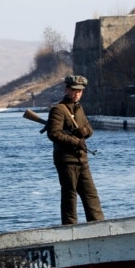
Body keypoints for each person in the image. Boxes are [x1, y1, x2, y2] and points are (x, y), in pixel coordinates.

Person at [47, 75, 105, 225]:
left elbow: (89, 129)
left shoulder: (79, 109)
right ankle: (70, 228)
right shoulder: (58, 110)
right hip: (66, 160)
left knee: (91, 195)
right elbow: (54, 134)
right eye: (74, 90)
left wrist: (84, 132)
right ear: (67, 90)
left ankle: (98, 225)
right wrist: (75, 142)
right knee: (69, 196)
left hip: (82, 159)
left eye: (80, 91)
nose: (77, 94)